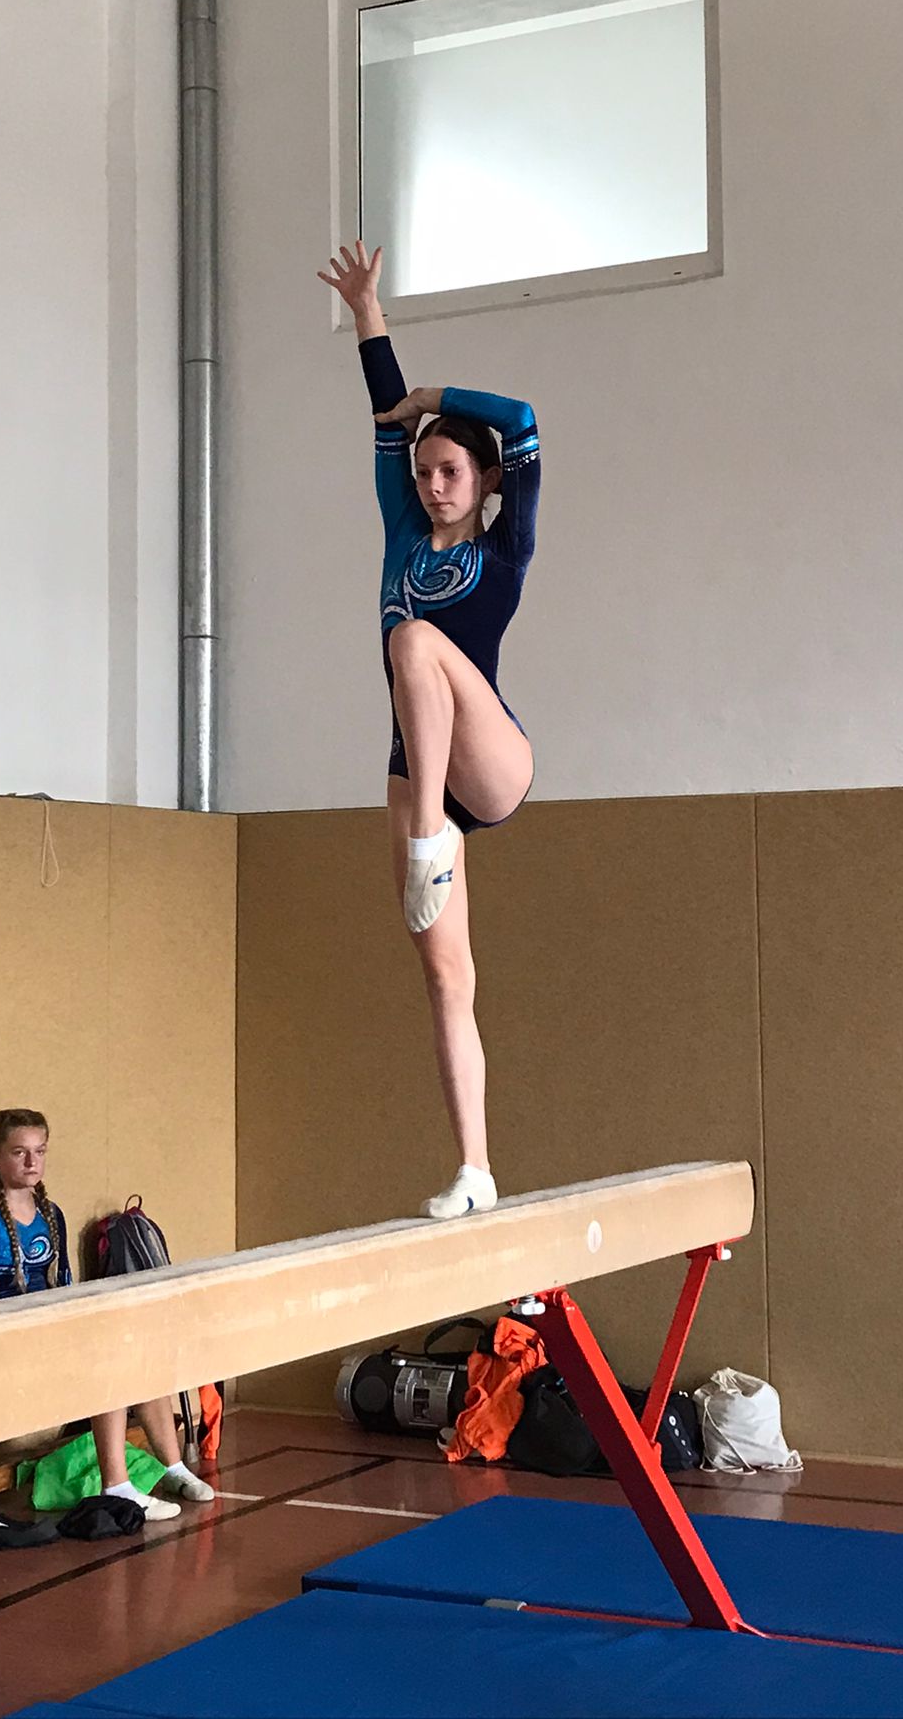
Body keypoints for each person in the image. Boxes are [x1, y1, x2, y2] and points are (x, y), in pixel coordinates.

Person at [318, 241, 540, 1220]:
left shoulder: (505, 546)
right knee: (449, 978)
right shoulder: (402, 536)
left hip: (489, 763)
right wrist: (368, 313)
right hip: (418, 771)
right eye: (422, 472)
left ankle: (425, 845)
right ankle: (475, 1167)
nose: (433, 485)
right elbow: (382, 415)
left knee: (414, 641)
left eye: (450, 470)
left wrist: (434, 397)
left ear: (484, 479)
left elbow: (521, 419)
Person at [0, 1109, 213, 1515]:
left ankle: (173, 1466)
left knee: (136, 1353)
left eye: (40, 1151)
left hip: (50, 1329)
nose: (32, 1162)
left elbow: (65, 1284)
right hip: (6, 1337)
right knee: (106, 1365)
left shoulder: (50, 1212)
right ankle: (117, 1485)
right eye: (19, 1152)